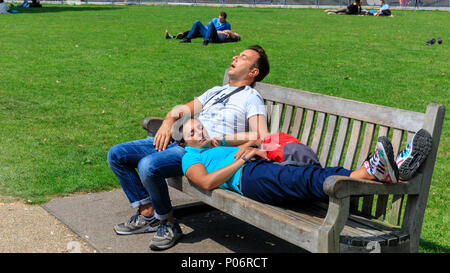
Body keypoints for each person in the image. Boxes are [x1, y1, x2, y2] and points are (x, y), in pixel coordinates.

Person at [107, 45, 270, 250]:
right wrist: (167, 123)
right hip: (181, 140)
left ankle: (168, 223)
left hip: (201, 150)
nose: (235, 56)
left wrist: (223, 140)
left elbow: (260, 135)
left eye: (243, 57)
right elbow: (180, 110)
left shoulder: (250, 97)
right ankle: (148, 213)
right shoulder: (216, 91)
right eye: (237, 54)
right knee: (117, 154)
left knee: (148, 165)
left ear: (253, 72)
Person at [181, 118, 431, 208]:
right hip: (247, 179)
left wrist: (249, 147)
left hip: (260, 169)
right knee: (307, 178)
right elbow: (206, 181)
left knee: (317, 174)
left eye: (200, 128)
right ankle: (379, 170)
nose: (200, 133)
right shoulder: (190, 157)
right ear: (184, 142)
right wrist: (243, 159)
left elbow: (260, 138)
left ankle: (380, 171)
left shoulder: (217, 146)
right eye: (193, 133)